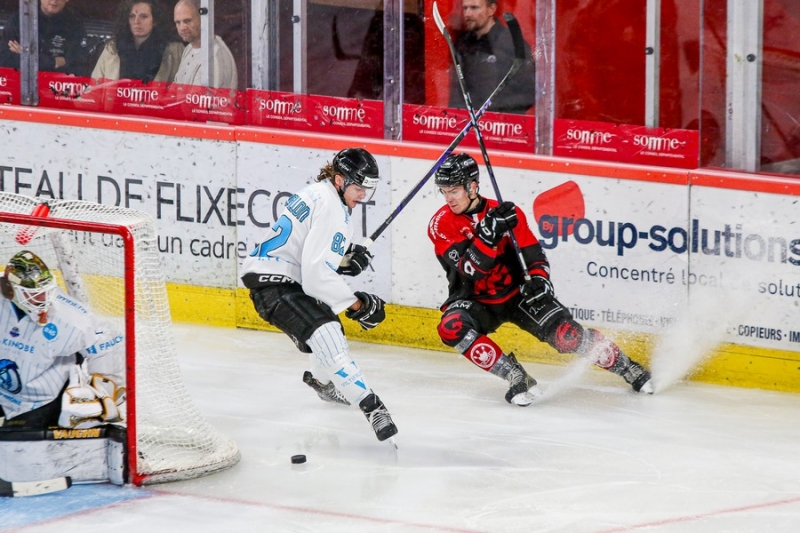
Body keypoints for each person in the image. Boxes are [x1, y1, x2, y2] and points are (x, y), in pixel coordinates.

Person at [428, 153, 654, 405]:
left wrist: (539, 279)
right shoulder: (440, 224)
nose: (448, 198)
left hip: (517, 294)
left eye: (454, 191)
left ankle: (628, 368)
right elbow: (471, 269)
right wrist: (490, 234)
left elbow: (533, 253)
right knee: (451, 327)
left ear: (472, 187)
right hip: (476, 299)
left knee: (566, 336)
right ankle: (515, 375)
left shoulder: (505, 214)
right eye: (444, 191)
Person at [240, 148, 398, 443]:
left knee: (328, 325)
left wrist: (346, 258)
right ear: (339, 179)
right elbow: (316, 275)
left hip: (276, 279)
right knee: (327, 333)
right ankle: (372, 407)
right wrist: (358, 304)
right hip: (277, 286)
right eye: (358, 186)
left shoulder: (319, 193)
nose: (363, 194)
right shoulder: (334, 210)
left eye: (368, 188)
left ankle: (321, 381)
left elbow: (309, 250)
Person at [0, 251, 126, 430]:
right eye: (33, 294)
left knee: (14, 447)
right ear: (10, 290)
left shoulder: (68, 318)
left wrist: (105, 390)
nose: (43, 299)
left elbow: (105, 339)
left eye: (45, 291)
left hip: (39, 400)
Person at [448, 0, 536, 115]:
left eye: (474, 8)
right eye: (465, 8)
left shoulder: (512, 44)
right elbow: (457, 90)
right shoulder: (463, 43)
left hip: (501, 125)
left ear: (491, 10)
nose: (467, 14)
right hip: (467, 124)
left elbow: (529, 91)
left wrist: (496, 112)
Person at [92, 0, 185, 83]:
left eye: (143, 16)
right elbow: (93, 89)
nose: (137, 21)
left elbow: (182, 90)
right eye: (132, 16)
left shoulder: (174, 50)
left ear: (155, 20)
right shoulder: (112, 49)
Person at [0, 0, 93, 76]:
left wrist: (26, 56)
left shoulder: (75, 25)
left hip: (56, 90)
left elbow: (77, 66)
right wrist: (52, 62)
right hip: (21, 85)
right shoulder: (19, 19)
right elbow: (4, 59)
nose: (54, 1)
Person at [172, 0, 237, 89]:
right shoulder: (189, 48)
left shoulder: (214, 55)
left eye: (187, 21)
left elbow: (201, 100)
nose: (182, 27)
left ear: (203, 19)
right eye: (178, 22)